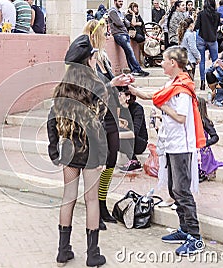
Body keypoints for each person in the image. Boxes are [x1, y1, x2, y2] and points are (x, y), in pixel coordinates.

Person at [129, 46, 206, 256]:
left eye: (164, 60)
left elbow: (180, 117)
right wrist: (134, 91)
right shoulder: (171, 84)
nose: (161, 63)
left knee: (182, 190)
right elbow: (155, 96)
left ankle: (195, 237)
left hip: (182, 145)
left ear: (173, 63)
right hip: (171, 144)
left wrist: (163, 108)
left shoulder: (183, 88)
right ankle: (184, 229)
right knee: (173, 189)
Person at [47, 34, 114, 267]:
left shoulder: (62, 87)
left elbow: (51, 120)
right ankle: (93, 254)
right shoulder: (96, 85)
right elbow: (99, 126)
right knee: (92, 200)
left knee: (68, 198)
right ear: (87, 60)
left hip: (69, 151)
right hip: (91, 151)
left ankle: (63, 251)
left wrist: (54, 150)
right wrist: (103, 154)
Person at [83, 19, 136, 231]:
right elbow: (89, 89)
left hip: (110, 115)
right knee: (100, 162)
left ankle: (102, 204)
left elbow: (108, 85)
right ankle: (96, 208)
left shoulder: (103, 58)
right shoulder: (86, 58)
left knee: (111, 160)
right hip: (96, 117)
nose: (108, 37)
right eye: (105, 33)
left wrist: (121, 82)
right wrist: (111, 83)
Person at [108, 0, 149, 76]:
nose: (121, 3)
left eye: (122, 2)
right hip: (119, 34)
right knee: (130, 51)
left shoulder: (120, 13)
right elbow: (119, 23)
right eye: (119, 1)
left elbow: (128, 24)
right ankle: (138, 70)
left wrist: (123, 21)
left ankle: (134, 70)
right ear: (115, 1)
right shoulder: (112, 11)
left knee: (128, 52)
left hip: (124, 33)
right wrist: (123, 21)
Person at [118, 92, 148, 173]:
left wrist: (117, 135)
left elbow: (134, 133)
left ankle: (134, 161)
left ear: (128, 96)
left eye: (119, 95)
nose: (117, 97)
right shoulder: (119, 108)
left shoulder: (137, 109)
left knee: (115, 135)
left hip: (139, 142)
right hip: (126, 141)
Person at [194, 0, 221, 91]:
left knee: (202, 61)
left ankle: (202, 82)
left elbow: (197, 26)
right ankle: (215, 80)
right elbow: (217, 26)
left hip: (202, 37)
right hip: (213, 39)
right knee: (215, 61)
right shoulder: (217, 14)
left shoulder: (201, 14)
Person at [197, 97, 223, 182]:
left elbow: (215, 137)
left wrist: (205, 143)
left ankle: (202, 173)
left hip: (202, 148)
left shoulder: (205, 121)